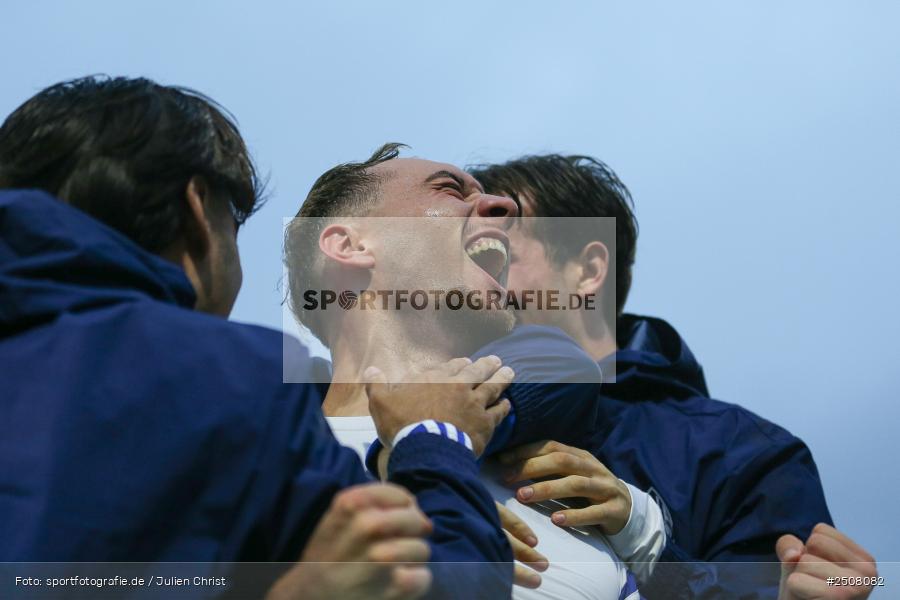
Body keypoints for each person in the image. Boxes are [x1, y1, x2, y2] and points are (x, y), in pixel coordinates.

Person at [0, 76, 515, 599]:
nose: (504, 207)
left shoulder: (576, 452)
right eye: (451, 190)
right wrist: (434, 442)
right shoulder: (235, 384)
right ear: (198, 210)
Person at [469, 154, 877, 599]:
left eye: (496, 256)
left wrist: (650, 545)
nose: (469, 283)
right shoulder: (410, 413)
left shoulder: (741, 454)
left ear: (588, 271)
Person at [284, 143, 654, 600]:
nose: (504, 208)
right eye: (447, 189)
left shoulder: (568, 484)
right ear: (350, 245)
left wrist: (647, 531)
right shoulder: (270, 463)